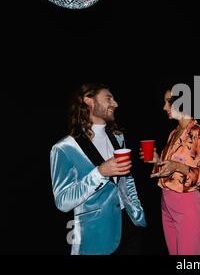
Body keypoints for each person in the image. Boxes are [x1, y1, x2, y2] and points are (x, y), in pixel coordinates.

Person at [50, 83, 147, 255]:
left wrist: (138, 212)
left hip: (131, 226)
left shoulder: (118, 136)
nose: (115, 104)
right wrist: (99, 173)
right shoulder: (64, 148)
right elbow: (63, 202)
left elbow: (127, 179)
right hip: (97, 235)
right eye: (108, 98)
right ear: (89, 100)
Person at [145, 83, 200, 255]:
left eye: (169, 101)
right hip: (166, 202)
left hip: (187, 202)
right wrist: (158, 160)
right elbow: (170, 170)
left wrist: (178, 166)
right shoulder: (173, 133)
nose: (164, 107)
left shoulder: (199, 132)